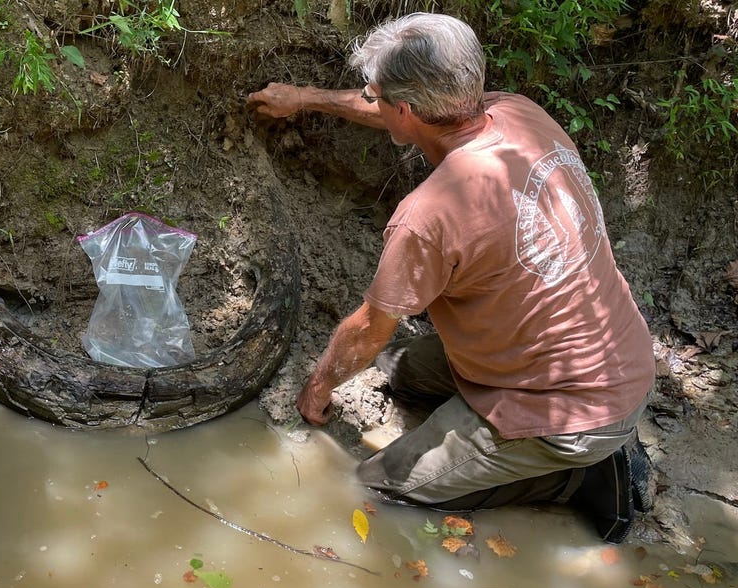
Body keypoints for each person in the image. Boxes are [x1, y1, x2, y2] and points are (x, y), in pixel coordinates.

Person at [248, 13, 655, 543]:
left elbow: (370, 328)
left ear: (405, 110)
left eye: (375, 95)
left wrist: (319, 386)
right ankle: (569, 444)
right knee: (404, 371)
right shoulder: (517, 113)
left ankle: (574, 477)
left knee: (378, 487)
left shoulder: (429, 216)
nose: (370, 100)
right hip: (604, 354)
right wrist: (306, 97)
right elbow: (399, 108)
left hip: (566, 409)